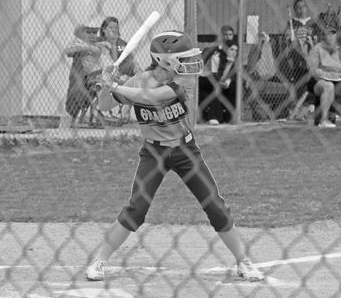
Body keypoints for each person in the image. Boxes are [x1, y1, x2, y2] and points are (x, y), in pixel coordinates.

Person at [86, 31, 265, 282]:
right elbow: (104, 105)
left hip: (185, 150)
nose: (189, 62)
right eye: (182, 57)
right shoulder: (139, 80)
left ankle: (243, 261)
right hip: (153, 152)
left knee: (215, 205)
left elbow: (154, 97)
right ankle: (99, 260)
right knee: (136, 208)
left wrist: (117, 86)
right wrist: (108, 84)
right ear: (163, 60)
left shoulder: (185, 80)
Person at [308, 24, 341, 128]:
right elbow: (312, 69)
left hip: (338, 80)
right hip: (319, 80)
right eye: (328, 34)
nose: (330, 36)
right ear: (323, 36)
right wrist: (326, 75)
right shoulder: (316, 49)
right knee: (328, 85)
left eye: (333, 34)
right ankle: (323, 120)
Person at [98, 16, 142, 122]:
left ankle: (125, 112)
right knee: (118, 80)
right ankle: (117, 112)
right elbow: (104, 62)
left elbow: (132, 61)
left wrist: (138, 70)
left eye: (116, 27)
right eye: (111, 27)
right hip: (106, 75)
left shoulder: (122, 44)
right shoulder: (100, 43)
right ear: (104, 30)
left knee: (135, 81)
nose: (114, 30)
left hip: (123, 75)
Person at [65, 23, 105, 127]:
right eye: (88, 32)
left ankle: (93, 115)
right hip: (83, 75)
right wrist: (88, 48)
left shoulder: (97, 44)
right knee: (77, 97)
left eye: (94, 32)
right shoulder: (79, 43)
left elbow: (101, 49)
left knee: (98, 93)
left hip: (96, 75)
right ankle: (75, 118)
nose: (92, 35)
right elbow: (68, 51)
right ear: (81, 33)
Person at [198, 25, 238, 125]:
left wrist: (228, 81)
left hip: (225, 79)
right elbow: (203, 64)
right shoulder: (213, 50)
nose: (228, 37)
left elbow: (235, 70)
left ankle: (230, 117)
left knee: (235, 85)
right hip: (209, 77)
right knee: (216, 85)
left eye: (230, 34)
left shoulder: (234, 49)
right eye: (225, 34)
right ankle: (214, 117)